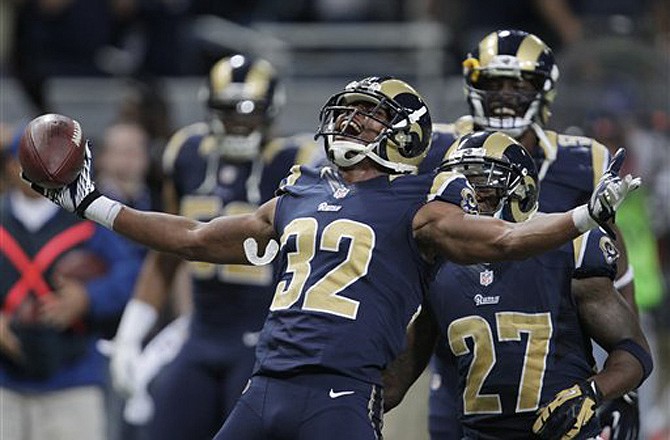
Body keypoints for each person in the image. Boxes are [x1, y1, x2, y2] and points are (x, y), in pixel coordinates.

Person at [22, 75, 639, 440]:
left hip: (342, 395)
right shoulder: (301, 189)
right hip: (262, 385)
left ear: (405, 134)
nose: (350, 122)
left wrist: (585, 214)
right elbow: (193, 237)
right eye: (349, 112)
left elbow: (504, 239)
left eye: (369, 118)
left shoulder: (423, 202)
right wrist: (90, 202)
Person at [414, 28, 642, 439]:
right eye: (493, 83)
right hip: (461, 351)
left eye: (518, 84)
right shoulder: (438, 148)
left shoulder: (583, 158)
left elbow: (613, 269)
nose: (504, 95)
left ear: (545, 90)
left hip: (548, 354)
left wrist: (618, 387)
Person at [383, 131, 653, 440]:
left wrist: (592, 392)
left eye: (482, 184)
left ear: (521, 191)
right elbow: (397, 377)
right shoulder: (437, 263)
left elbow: (633, 351)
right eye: (460, 185)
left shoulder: (572, 250)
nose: (469, 196)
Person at [107, 54, 320, 440]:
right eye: (228, 111)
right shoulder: (186, 152)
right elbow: (166, 250)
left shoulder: (299, 162)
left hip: (266, 342)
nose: (239, 123)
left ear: (273, 110)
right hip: (201, 336)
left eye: (250, 112)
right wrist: (130, 333)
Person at [0, 128, 141, 440]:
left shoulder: (90, 215)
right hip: (4, 380)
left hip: (74, 375)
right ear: (11, 165)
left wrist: (88, 298)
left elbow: (132, 273)